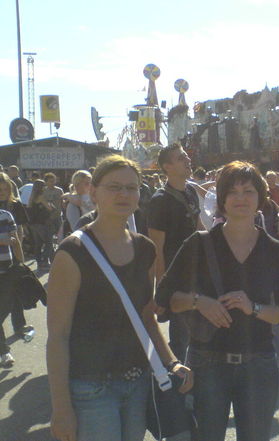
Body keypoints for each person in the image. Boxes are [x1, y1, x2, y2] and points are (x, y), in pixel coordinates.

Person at [46, 155, 193, 441]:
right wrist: (61, 407)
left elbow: (146, 317)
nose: (124, 194)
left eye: (131, 187)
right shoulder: (72, 252)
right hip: (90, 387)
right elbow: (58, 336)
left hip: (137, 381)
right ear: (93, 192)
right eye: (114, 187)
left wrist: (172, 362)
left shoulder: (145, 249)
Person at [154, 161, 279, 441]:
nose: (241, 198)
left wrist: (254, 308)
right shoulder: (199, 244)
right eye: (232, 192)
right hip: (207, 363)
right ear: (221, 200)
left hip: (258, 364)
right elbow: (164, 298)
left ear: (260, 197)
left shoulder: (273, 250)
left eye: (248, 191)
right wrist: (199, 301)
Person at [147, 144, 203, 363]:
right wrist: (162, 289)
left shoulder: (191, 191)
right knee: (181, 336)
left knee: (199, 331)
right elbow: (156, 250)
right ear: (167, 167)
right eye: (181, 158)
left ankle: (195, 375)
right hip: (176, 280)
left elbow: (199, 229)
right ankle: (179, 382)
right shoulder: (159, 201)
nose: (188, 160)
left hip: (197, 273)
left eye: (186, 156)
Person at [0, 172, 33, 342]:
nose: (3, 192)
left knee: (15, 292)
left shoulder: (15, 205)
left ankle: (19, 324)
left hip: (13, 251)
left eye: (6, 189)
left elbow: (19, 229)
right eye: (0, 189)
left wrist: (20, 255)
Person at [0, 208, 24, 367]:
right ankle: (4, 352)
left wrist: (22, 266)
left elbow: (15, 241)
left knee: (5, 308)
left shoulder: (5, 215)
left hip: (6, 271)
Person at [27, 180, 56, 270]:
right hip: (42, 224)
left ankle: (39, 261)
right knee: (48, 243)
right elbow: (50, 208)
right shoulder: (41, 197)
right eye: (44, 186)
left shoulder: (31, 198)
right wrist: (51, 204)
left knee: (38, 243)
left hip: (33, 224)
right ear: (41, 187)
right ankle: (44, 261)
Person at [63, 170, 94, 234]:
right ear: (77, 185)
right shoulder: (72, 203)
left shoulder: (93, 196)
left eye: (91, 183)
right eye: (87, 183)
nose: (90, 186)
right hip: (86, 236)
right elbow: (76, 229)